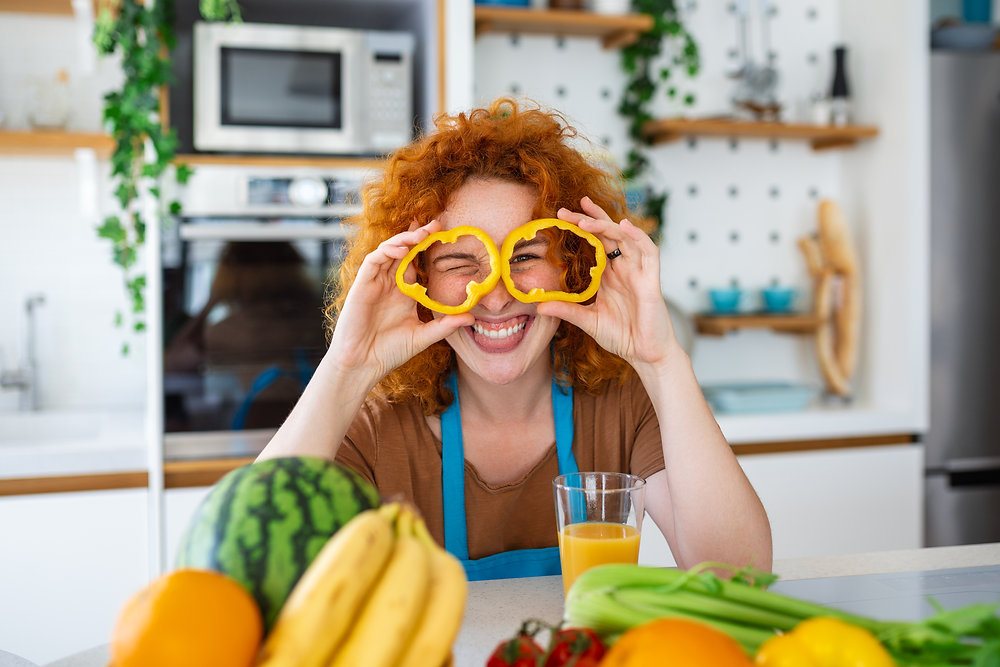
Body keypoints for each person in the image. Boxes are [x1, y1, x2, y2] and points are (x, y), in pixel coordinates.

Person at [257, 97, 772, 579]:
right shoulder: (372, 423)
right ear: (418, 282)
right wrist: (348, 366)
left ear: (573, 263)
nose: (497, 296)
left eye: (525, 256)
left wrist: (663, 361)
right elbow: (249, 568)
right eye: (459, 262)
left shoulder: (625, 402)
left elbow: (736, 575)